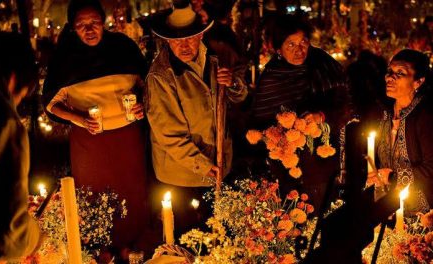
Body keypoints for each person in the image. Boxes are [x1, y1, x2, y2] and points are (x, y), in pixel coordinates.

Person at [42, 0, 149, 254]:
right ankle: (101, 248)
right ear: (72, 29)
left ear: (104, 22)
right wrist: (78, 119)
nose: (89, 30)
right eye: (81, 26)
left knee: (132, 190)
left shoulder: (124, 48)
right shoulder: (65, 59)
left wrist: (143, 105)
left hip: (127, 137)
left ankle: (133, 245)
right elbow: (51, 104)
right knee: (94, 193)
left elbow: (148, 85)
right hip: (90, 142)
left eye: (94, 24)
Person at [145, 0, 247, 234]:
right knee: (187, 241)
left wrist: (232, 84)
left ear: (201, 35)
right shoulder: (161, 76)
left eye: (190, 37)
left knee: (218, 241)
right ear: (167, 40)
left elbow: (239, 98)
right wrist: (204, 166)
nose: (184, 46)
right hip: (183, 176)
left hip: (219, 165)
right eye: (177, 40)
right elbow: (169, 135)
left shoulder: (214, 59)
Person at [251, 14, 351, 211]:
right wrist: (278, 136)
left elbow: (347, 102)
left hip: (326, 163)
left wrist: (321, 116)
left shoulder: (322, 63)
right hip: (287, 169)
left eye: (303, 42)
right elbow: (260, 123)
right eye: (291, 44)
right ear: (278, 49)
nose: (299, 50)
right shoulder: (272, 78)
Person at [0, 32, 42, 261]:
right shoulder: (4, 122)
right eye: (20, 97)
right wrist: (35, 235)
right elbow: (8, 240)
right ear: (13, 79)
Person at [367, 49, 433, 213]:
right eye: (389, 72)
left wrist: (393, 177)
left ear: (418, 81)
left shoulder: (425, 117)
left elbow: (431, 167)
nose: (390, 77)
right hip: (385, 204)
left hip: (419, 209)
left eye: (400, 73)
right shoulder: (383, 112)